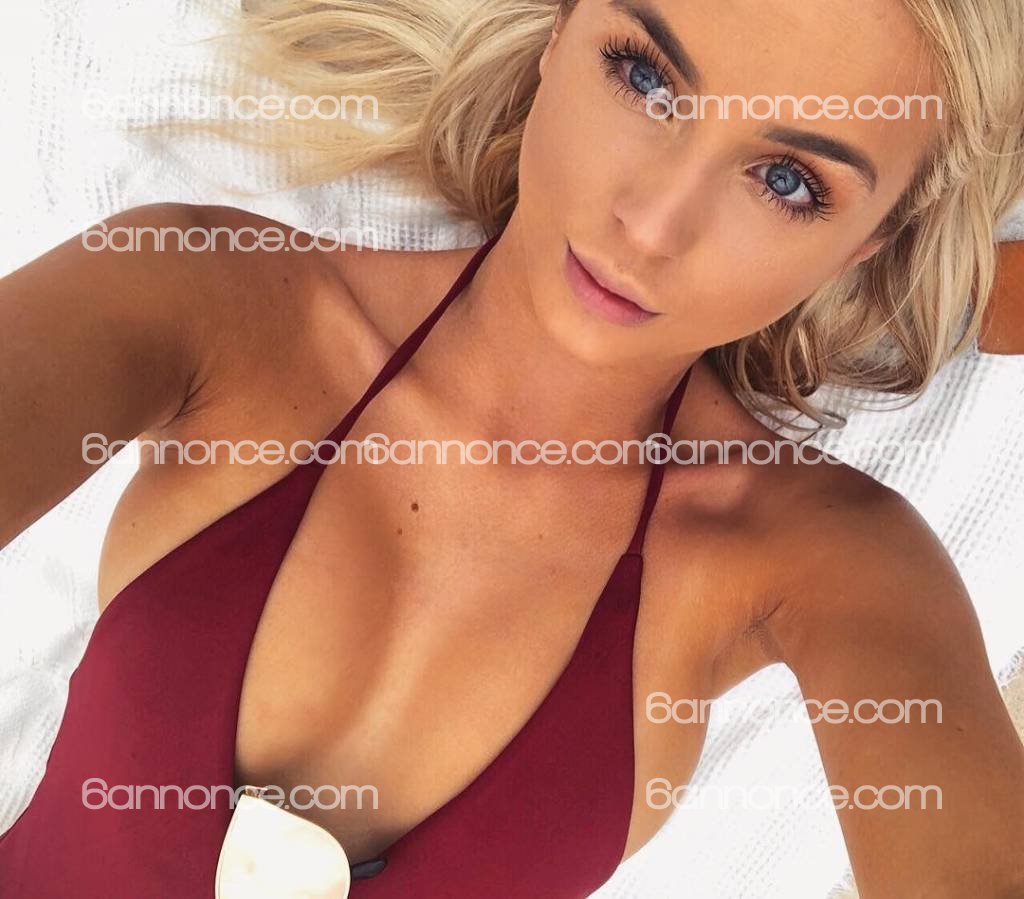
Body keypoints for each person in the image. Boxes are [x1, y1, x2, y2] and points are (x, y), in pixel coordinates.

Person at [0, 0, 1022, 895]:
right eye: (645, 79)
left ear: (863, 246)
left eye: (787, 181)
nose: (650, 225)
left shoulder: (824, 560)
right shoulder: (200, 303)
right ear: (558, 34)